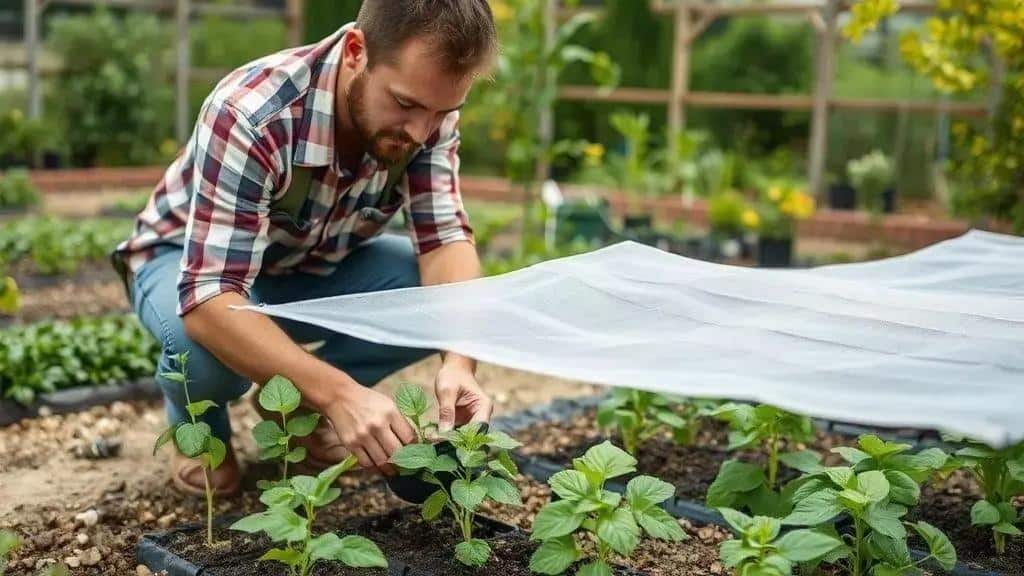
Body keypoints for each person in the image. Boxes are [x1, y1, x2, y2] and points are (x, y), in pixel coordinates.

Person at [112, 0, 497, 496]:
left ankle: (296, 401)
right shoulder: (253, 113)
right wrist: (339, 394)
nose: (421, 131)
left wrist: (460, 363)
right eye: (405, 105)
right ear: (357, 52)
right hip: (185, 264)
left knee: (431, 300)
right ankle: (203, 426)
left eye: (442, 112)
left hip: (309, 262)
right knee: (202, 351)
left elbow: (444, 241)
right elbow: (209, 297)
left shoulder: (428, 114)